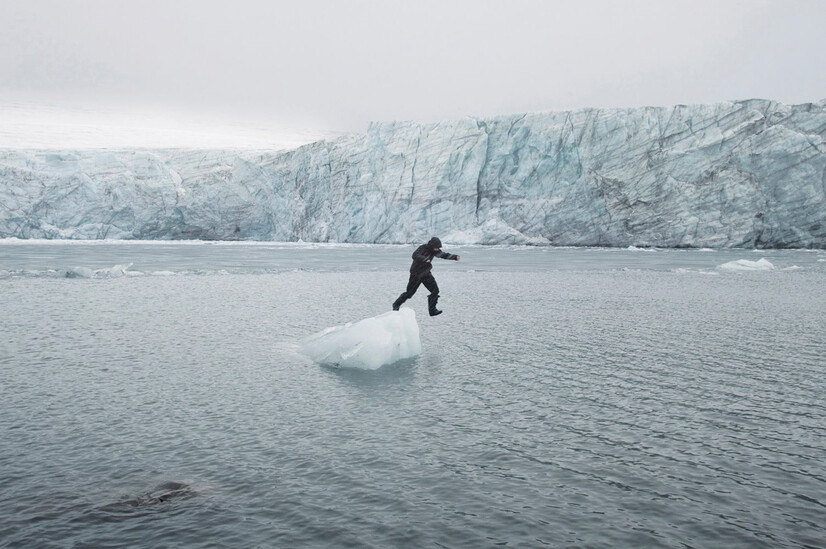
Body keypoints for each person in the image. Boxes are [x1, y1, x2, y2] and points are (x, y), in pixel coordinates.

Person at [393, 237, 460, 316]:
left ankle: (432, 310)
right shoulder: (423, 248)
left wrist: (455, 257)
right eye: (436, 248)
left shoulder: (435, 251)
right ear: (431, 246)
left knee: (435, 291)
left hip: (426, 273)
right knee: (409, 293)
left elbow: (443, 255)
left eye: (438, 248)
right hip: (416, 274)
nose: (437, 249)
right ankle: (396, 305)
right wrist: (424, 259)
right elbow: (414, 255)